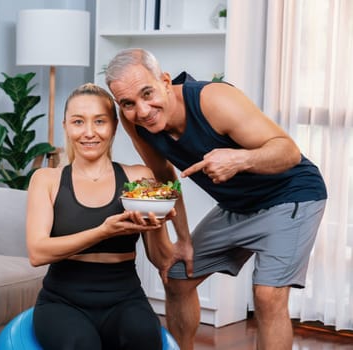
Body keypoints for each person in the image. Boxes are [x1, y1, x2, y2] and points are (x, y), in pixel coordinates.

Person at [104, 48, 327, 350]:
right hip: (238, 206)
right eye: (127, 103)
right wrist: (181, 239)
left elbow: (288, 152)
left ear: (165, 81)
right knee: (178, 276)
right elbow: (163, 173)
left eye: (148, 93)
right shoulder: (135, 121)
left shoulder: (214, 100)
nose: (142, 111)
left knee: (267, 296)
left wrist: (240, 159)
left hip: (291, 194)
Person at [26, 82, 176, 350]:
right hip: (62, 302)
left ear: (115, 126)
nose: (89, 133)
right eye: (78, 122)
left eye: (99, 121)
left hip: (125, 299)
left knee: (144, 338)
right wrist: (103, 231)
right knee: (80, 345)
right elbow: (37, 253)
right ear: (65, 127)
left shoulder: (138, 176)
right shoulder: (47, 180)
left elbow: (163, 260)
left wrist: (159, 223)